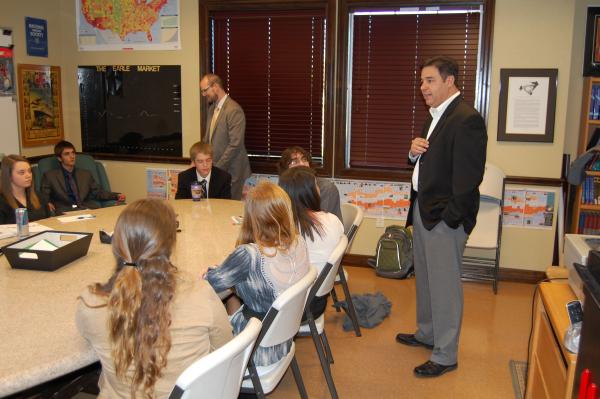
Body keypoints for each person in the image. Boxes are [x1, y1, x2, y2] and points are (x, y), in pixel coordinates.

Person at [75, 199, 232, 399]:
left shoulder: (91, 304)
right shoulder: (200, 294)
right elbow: (223, 349)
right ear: (171, 246)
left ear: (116, 244)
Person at [397, 56, 487, 377]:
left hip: (444, 219)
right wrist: (412, 152)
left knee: (445, 285)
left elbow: (468, 179)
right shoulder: (435, 116)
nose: (423, 87)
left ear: (449, 81)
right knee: (425, 278)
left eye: (430, 80)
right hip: (424, 209)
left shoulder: (466, 119)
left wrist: (450, 221)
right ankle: (427, 333)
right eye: (421, 81)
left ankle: (446, 354)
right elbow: (426, 161)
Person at [204, 181, 311, 367]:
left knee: (205, 310)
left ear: (251, 216)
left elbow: (208, 286)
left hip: (255, 347)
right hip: (284, 337)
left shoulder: (249, 255)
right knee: (234, 294)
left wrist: (210, 271)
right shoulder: (299, 242)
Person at [278, 166, 344, 318]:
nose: (319, 189)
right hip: (318, 301)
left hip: (295, 308)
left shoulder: (288, 229)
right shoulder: (333, 220)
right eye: (316, 185)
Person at [200, 73, 251, 200]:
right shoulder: (212, 109)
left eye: (205, 90)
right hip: (217, 170)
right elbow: (207, 139)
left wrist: (217, 168)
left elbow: (235, 144)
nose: (204, 95)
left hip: (233, 171)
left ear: (215, 86)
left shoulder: (233, 110)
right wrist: (197, 158)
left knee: (230, 209)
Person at [40, 141, 125, 212]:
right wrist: (47, 202)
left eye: (73, 153)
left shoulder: (85, 174)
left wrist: (116, 195)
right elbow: (44, 195)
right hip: (65, 212)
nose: (72, 156)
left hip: (86, 209)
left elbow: (98, 192)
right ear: (59, 158)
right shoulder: (50, 176)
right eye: (67, 154)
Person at [278, 146, 342, 222]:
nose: (302, 164)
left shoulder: (326, 188)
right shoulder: (283, 187)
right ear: (285, 169)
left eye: (304, 159)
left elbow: (319, 222)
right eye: (295, 161)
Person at [0, 155, 50, 224]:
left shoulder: (39, 196)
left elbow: (49, 222)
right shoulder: (2, 201)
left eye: (29, 171)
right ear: (9, 175)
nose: (28, 175)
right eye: (22, 172)